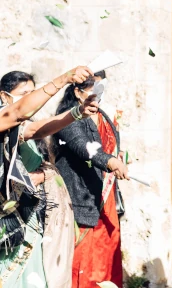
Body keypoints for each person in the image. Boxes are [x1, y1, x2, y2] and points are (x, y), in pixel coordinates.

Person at [0, 66, 96, 288]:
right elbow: (16, 112)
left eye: (34, 93)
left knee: (33, 273)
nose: (33, 100)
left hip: (28, 212)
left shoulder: (18, 127)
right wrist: (63, 79)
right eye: (26, 94)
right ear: (4, 96)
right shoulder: (6, 118)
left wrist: (77, 113)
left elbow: (36, 130)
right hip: (7, 216)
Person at [53, 76, 129, 288]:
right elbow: (83, 146)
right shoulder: (67, 118)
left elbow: (108, 147)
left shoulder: (99, 116)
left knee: (100, 260)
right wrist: (110, 161)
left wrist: (118, 157)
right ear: (78, 92)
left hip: (99, 198)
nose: (98, 99)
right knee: (81, 263)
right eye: (92, 93)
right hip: (79, 198)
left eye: (100, 93)